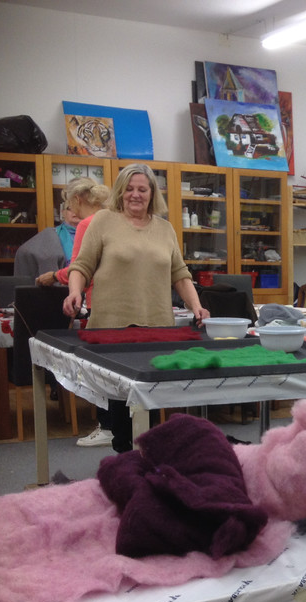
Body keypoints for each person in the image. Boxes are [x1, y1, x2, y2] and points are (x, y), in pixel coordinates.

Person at [63, 163, 210, 453]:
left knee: (150, 399)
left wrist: (197, 307)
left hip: (156, 328)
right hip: (112, 328)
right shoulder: (103, 220)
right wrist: (74, 292)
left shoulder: (165, 228)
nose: (135, 195)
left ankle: (146, 462)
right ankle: (125, 462)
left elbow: (180, 274)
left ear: (152, 193)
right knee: (119, 406)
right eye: (129, 189)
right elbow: (81, 265)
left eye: (142, 189)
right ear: (120, 191)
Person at [14, 177, 108, 280]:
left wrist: (55, 276)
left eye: (71, 205)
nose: (73, 211)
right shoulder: (110, 221)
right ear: (62, 212)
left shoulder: (87, 225)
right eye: (68, 208)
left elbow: (79, 270)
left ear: (77, 200)